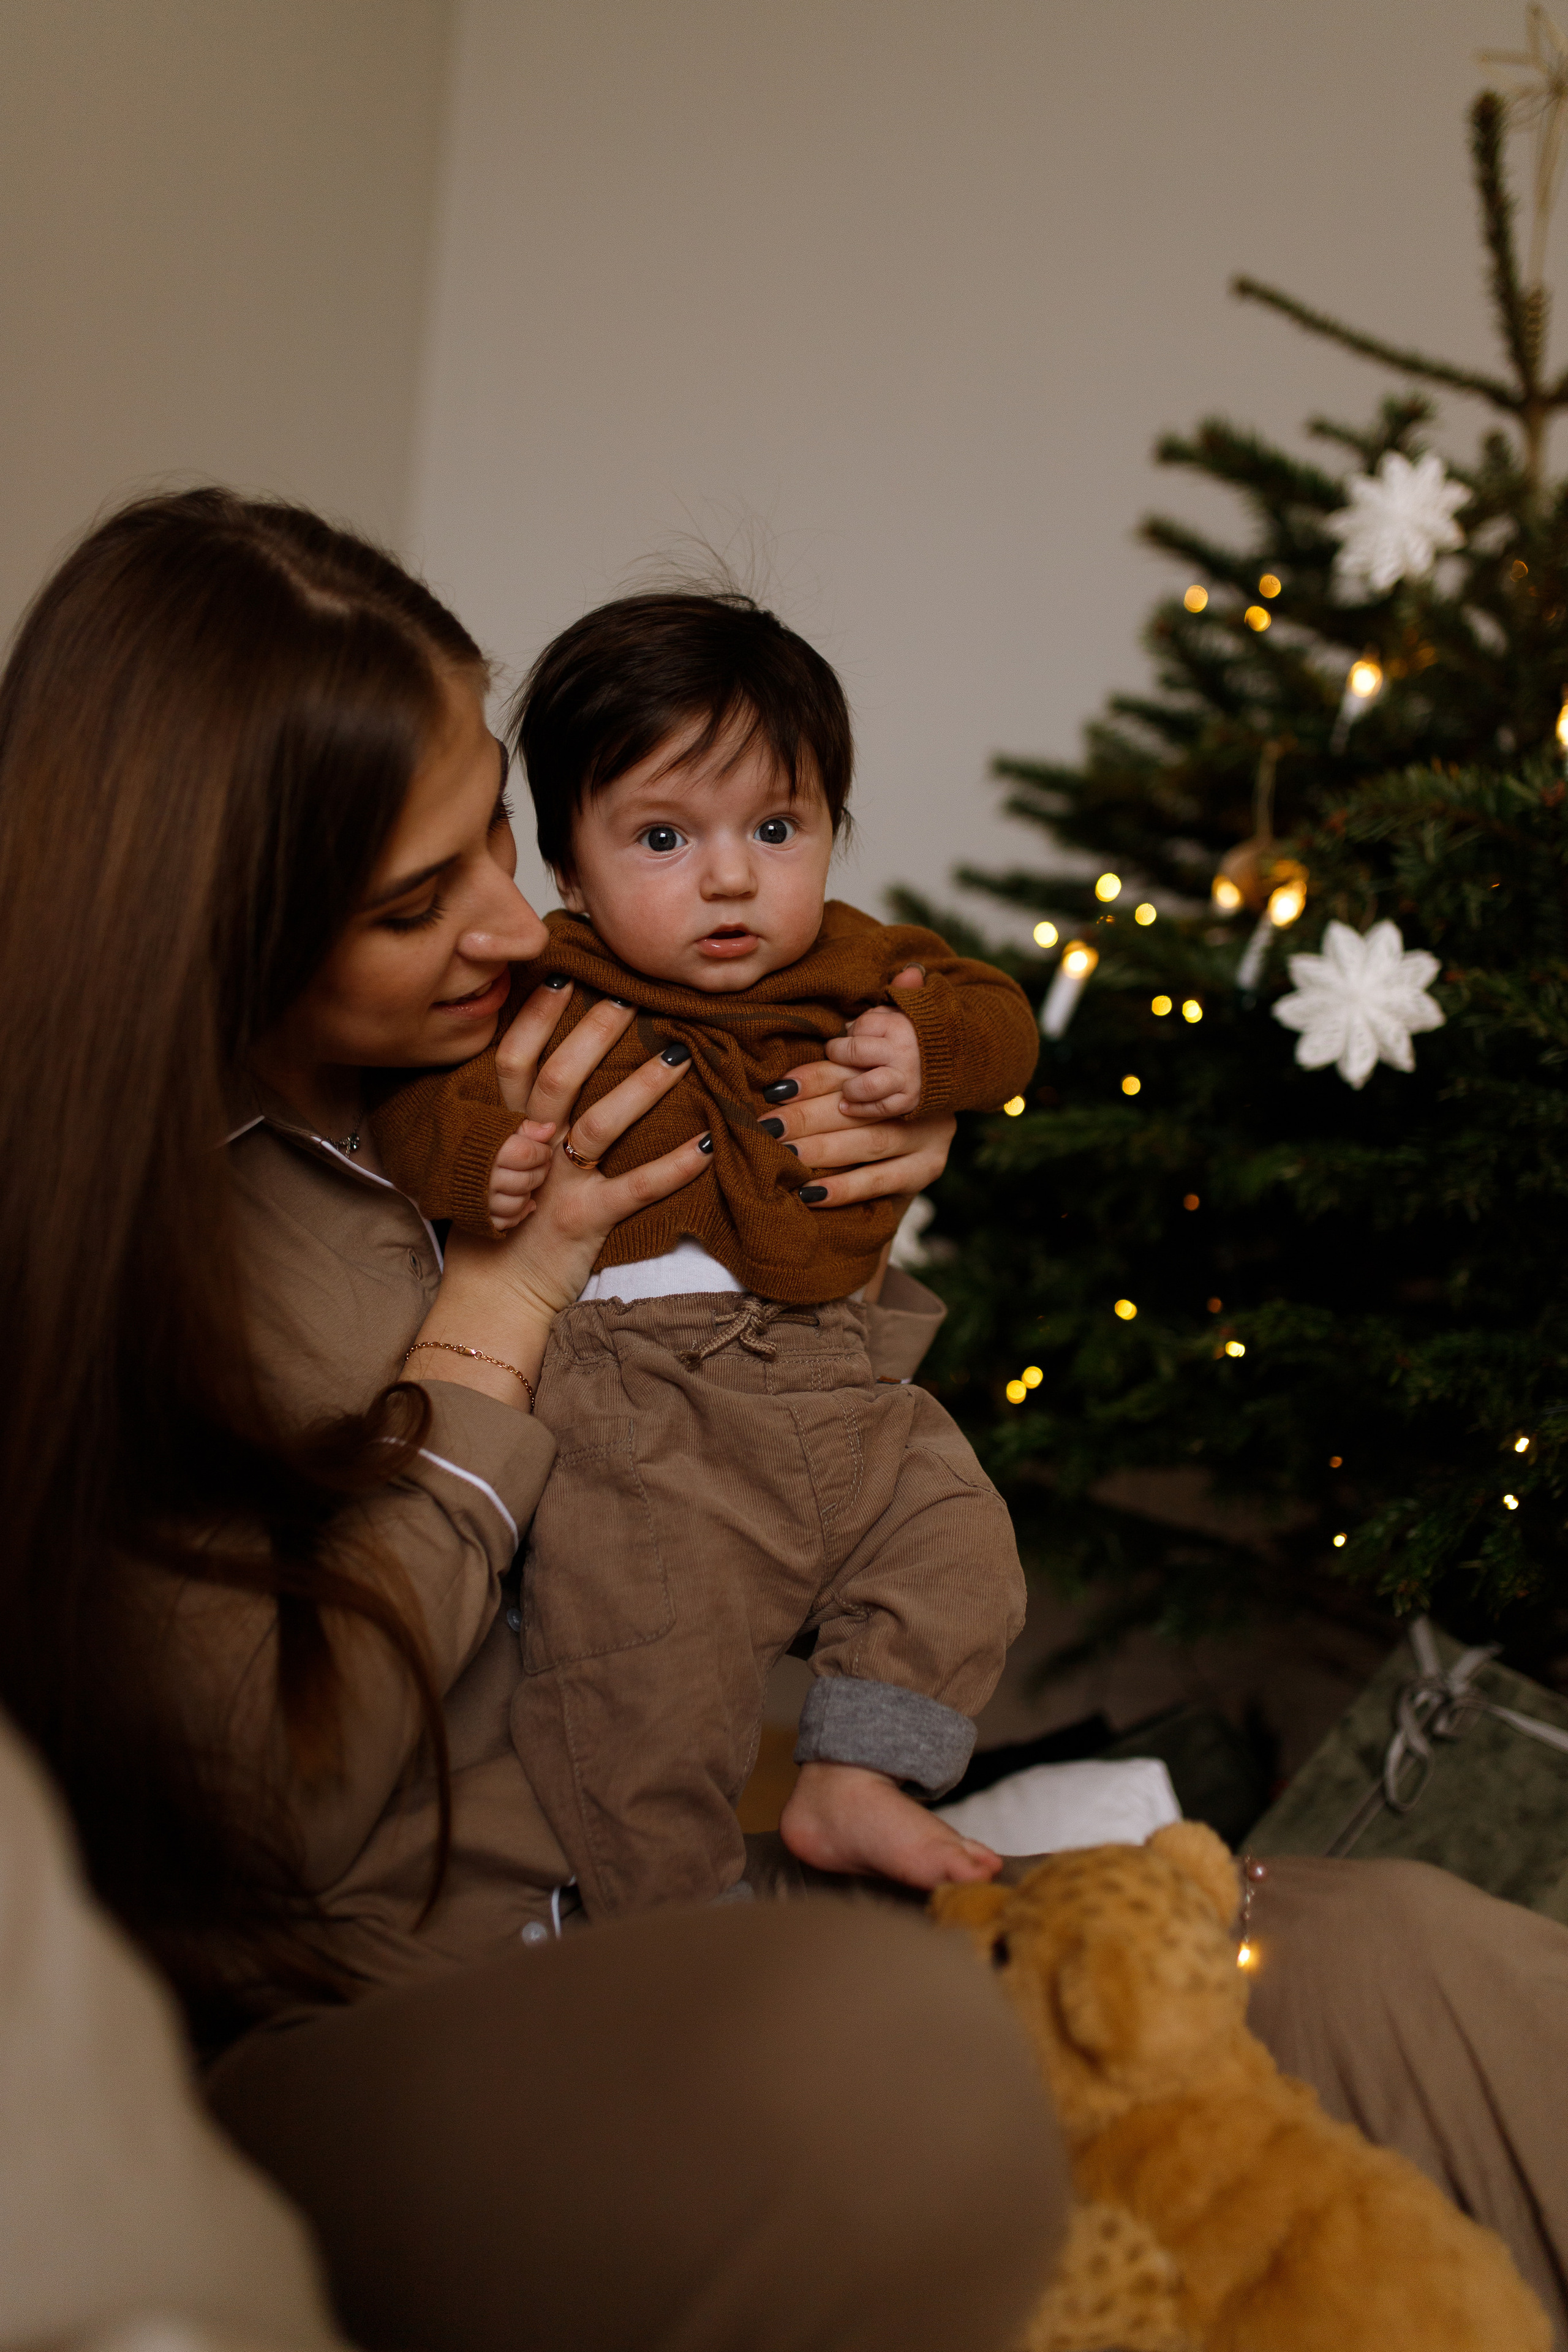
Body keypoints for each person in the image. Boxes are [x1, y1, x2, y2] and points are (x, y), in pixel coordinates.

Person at [0, 489, 1564, 2352]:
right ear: (216, 925)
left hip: (721, 1911)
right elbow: (274, 1811)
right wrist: (500, 1314)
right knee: (870, 2059)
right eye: (419, 901)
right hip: (382, 2029)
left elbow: (791, 1413)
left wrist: (853, 1156)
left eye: (495, 825)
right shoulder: (125, 1256)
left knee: (1396, 1953)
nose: (516, 918)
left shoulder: (537, 1023)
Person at [372, 591, 1039, 1917]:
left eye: (776, 830)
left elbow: (996, 1015)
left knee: (962, 1548)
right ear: (569, 872)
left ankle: (855, 1775)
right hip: (643, 1404)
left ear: (831, 833)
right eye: (664, 838)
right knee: (643, 1669)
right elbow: (421, 1115)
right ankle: (666, 1920)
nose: (730, 878)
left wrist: (935, 1068)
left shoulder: (856, 961)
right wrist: (478, 1167)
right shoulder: (539, 984)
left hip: (841, 1374)